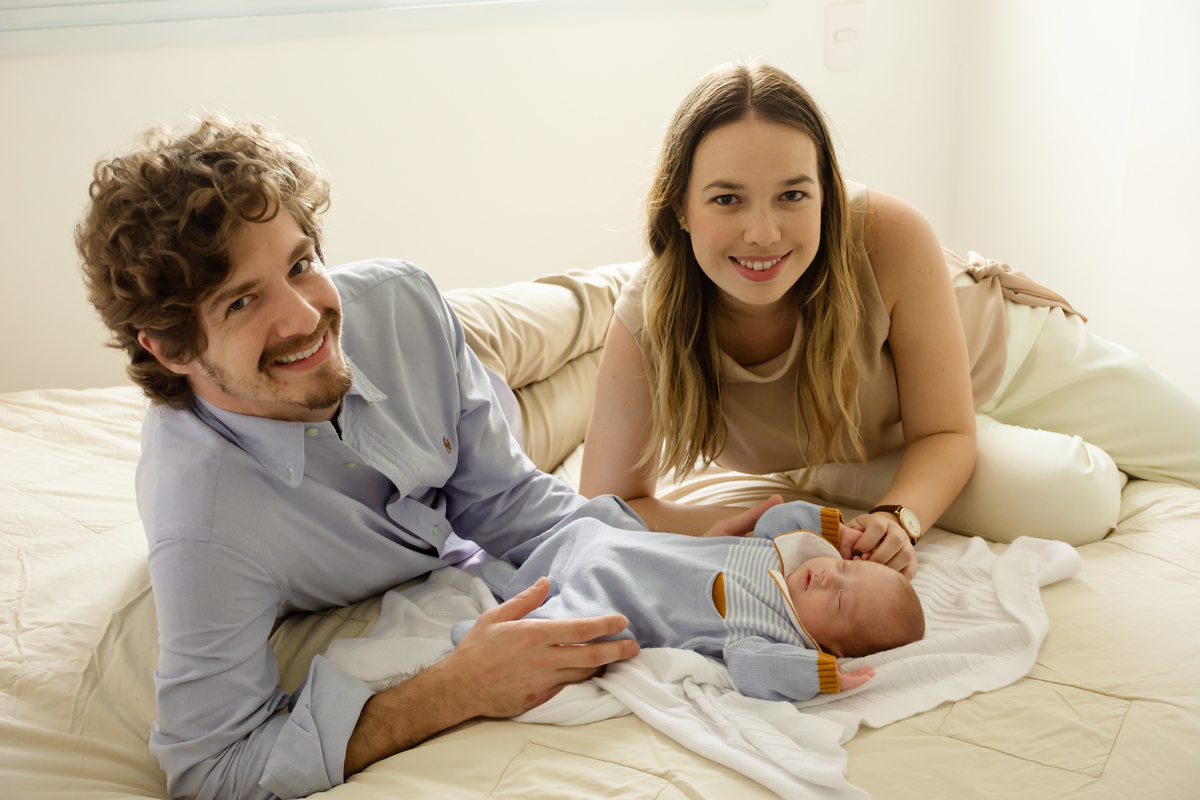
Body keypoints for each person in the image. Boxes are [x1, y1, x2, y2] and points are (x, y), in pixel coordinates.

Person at [74, 115, 780, 800]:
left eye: (299, 264)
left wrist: (660, 556)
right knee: (597, 372)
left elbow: (509, 503)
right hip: (431, 420)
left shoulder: (396, 298)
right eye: (241, 303)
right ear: (170, 349)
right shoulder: (205, 526)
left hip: (434, 351)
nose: (301, 315)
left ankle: (617, 290)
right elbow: (212, 769)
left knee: (605, 308)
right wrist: (455, 688)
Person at [580, 61, 1200, 562]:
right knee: (1079, 499)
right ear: (680, 206)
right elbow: (606, 508)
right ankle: (836, 476)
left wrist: (901, 517)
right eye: (727, 199)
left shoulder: (886, 233)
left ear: (826, 195)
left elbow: (945, 430)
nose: (763, 232)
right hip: (888, 444)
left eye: (793, 194)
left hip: (1012, 358)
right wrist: (754, 526)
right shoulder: (649, 316)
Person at [453, 500, 924, 703]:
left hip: (615, 594)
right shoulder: (785, 553)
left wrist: (820, 676)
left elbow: (753, 669)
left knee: (575, 635)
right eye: (846, 569)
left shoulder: (773, 634)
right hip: (613, 542)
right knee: (583, 525)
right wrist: (835, 531)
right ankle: (512, 574)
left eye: (838, 601)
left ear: (830, 647)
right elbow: (776, 519)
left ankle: (491, 632)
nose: (827, 577)